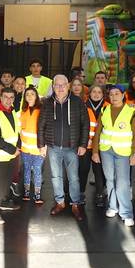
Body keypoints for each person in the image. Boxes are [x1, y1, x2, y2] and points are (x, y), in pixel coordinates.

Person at [38, 74, 89, 221]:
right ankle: (60, 202)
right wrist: (41, 145)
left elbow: (85, 124)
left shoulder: (78, 102)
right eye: (57, 85)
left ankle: (75, 204)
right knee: (56, 177)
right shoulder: (47, 103)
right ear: (53, 86)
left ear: (68, 86)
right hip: (53, 147)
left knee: (73, 178)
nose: (60, 88)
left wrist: (83, 144)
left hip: (72, 147)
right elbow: (41, 125)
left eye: (63, 85)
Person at [92, 86, 135, 227]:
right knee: (110, 180)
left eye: (117, 94)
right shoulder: (104, 110)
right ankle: (113, 207)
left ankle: (126, 213)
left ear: (123, 94)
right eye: (111, 94)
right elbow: (98, 132)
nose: (114, 96)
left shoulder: (131, 112)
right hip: (106, 151)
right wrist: (95, 151)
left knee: (122, 183)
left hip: (123, 152)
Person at [0, 88, 21, 225]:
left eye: (11, 97)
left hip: (11, 154)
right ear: (0, 97)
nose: (8, 100)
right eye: (6, 97)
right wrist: (13, 150)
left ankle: (4, 201)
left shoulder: (11, 111)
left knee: (7, 181)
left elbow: (15, 132)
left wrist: (17, 147)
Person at [82, 84, 108, 207]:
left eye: (99, 92)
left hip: (100, 145)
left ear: (103, 94)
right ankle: (81, 193)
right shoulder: (83, 105)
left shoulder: (108, 106)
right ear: (89, 93)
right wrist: (83, 141)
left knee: (99, 171)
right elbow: (79, 125)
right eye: (94, 92)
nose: (96, 94)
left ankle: (99, 195)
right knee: (83, 170)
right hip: (86, 145)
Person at [20, 86, 43, 203]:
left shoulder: (41, 110)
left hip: (38, 149)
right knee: (27, 170)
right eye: (27, 94)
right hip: (25, 148)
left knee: (37, 171)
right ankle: (26, 192)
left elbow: (45, 129)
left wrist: (44, 147)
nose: (29, 96)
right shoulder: (23, 110)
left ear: (36, 96)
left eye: (32, 94)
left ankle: (38, 194)